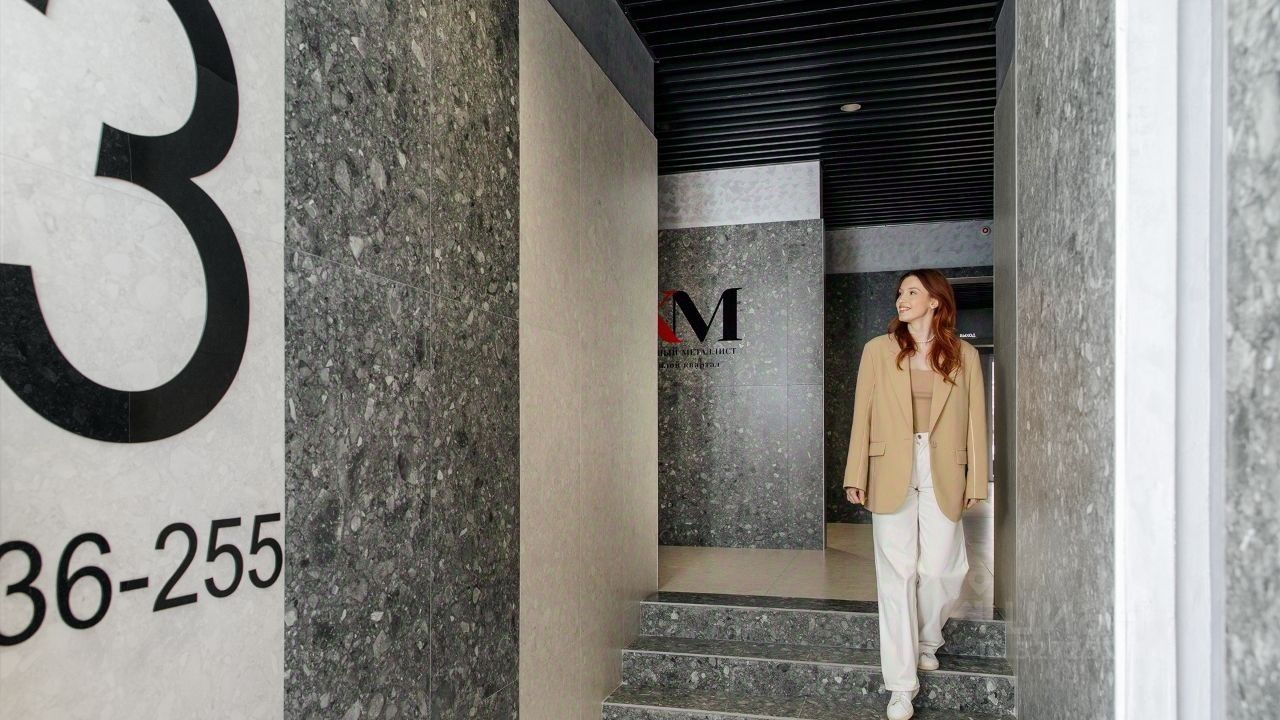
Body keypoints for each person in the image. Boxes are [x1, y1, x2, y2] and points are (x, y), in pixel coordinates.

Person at [843, 268, 989, 720]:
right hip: (891, 464)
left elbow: (975, 420)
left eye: (912, 292)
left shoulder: (963, 354)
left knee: (945, 567)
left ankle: (927, 638)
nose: (901, 299)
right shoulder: (878, 350)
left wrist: (977, 479)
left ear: (935, 301)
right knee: (897, 575)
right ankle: (901, 686)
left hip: (943, 464)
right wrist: (855, 472)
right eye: (899, 293)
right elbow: (863, 413)